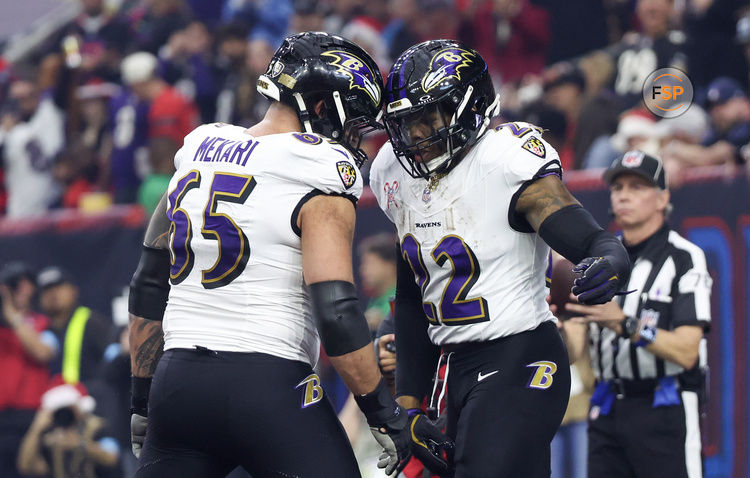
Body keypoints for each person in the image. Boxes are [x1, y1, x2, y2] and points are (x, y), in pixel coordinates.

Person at [127, 32, 415, 478]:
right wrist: (382, 411)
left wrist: (142, 397)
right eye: (353, 122)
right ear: (322, 107)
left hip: (176, 382)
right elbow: (336, 311)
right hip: (267, 381)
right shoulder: (319, 166)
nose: (353, 136)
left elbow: (148, 282)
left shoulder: (201, 147)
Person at [369, 39, 632, 477]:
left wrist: (609, 257)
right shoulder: (393, 173)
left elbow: (587, 236)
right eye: (406, 121)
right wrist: (408, 409)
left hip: (520, 356)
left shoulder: (505, 161)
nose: (415, 135)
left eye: (427, 117)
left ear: (469, 108)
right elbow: (414, 296)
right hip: (450, 368)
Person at [564, 151, 710, 478]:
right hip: (607, 407)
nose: (624, 195)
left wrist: (623, 323)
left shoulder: (684, 258)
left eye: (637, 187)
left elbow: (687, 352)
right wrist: (559, 318)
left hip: (664, 407)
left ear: (663, 199)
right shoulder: (599, 261)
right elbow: (574, 349)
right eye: (618, 188)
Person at [0, 262, 55, 478]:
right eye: (16, 285)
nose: (22, 290)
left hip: (30, 417)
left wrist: (13, 316)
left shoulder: (41, 323)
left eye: (26, 284)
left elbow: (43, 352)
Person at [17, 379, 119, 478]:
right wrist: (37, 428)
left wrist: (80, 444)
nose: (65, 415)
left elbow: (112, 458)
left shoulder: (97, 427)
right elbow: (26, 466)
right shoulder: (50, 436)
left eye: (68, 409)